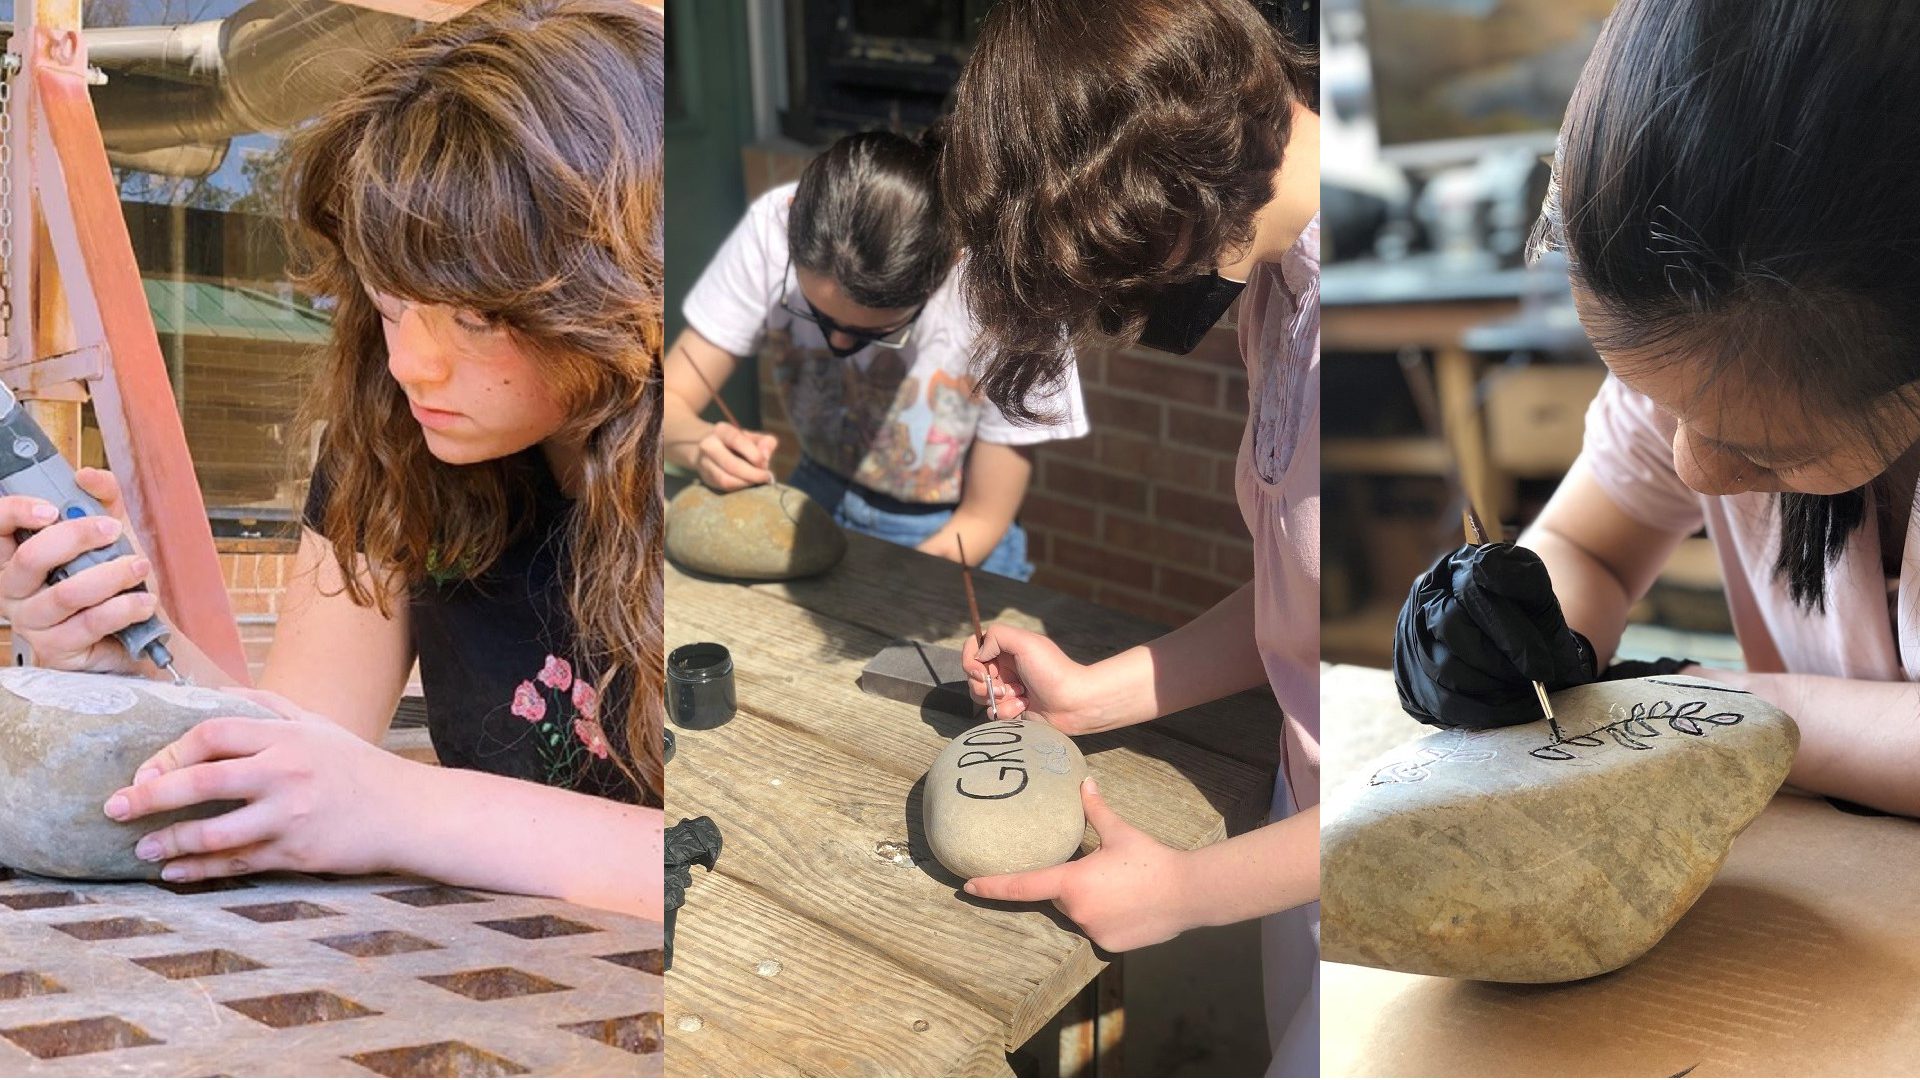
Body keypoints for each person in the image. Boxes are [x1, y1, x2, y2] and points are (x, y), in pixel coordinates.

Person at [0, 0, 665, 916]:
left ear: (616, 294)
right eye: (392, 306)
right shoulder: (397, 441)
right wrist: (125, 649)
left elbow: (736, 855)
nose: (411, 365)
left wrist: (402, 802)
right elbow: (302, 740)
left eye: (472, 317)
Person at [1394, 0, 1920, 819]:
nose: (1691, 468)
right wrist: (1530, 635)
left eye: (1765, 448)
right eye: (1652, 399)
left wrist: (1700, 702)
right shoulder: (1706, 364)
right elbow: (1587, 547)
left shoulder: (1761, 349)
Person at [941, 1, 1321, 1073]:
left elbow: (1451, 756)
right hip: (1304, 842)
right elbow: (1308, 611)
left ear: (1160, 201)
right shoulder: (1276, 281)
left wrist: (1185, 891)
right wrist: (1093, 696)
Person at [661, 130, 1087, 581]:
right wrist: (700, 445)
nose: (840, 346)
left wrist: (884, 593)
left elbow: (982, 518)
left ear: (948, 266)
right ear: (789, 224)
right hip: (814, 495)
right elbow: (666, 401)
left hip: (948, 529)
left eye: (878, 330)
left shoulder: (1011, 297)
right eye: (818, 316)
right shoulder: (773, 226)